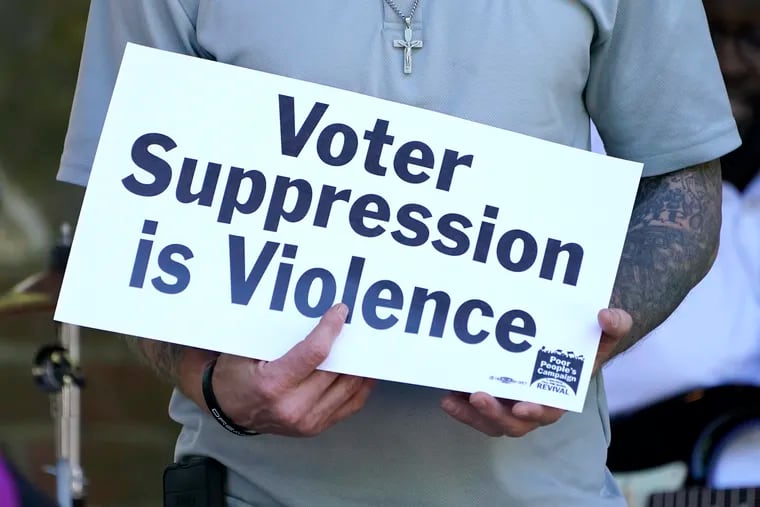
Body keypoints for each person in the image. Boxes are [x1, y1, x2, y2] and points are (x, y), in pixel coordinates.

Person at [55, 1, 740, 506]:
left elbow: (681, 178)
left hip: (544, 492)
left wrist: (585, 337)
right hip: (251, 492)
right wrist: (208, 377)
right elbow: (124, 214)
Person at [601, 0, 760, 491]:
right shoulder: (588, 151)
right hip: (600, 468)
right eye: (707, 35)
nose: (729, 63)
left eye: (753, 39)